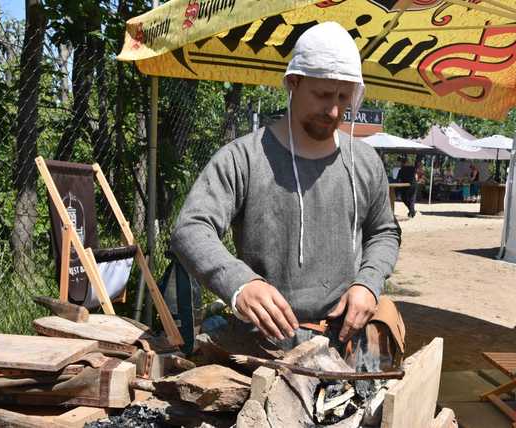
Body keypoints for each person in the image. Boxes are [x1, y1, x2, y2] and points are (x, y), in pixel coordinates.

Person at [171, 22, 402, 369]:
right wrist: (239, 284)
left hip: (348, 347)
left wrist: (368, 283)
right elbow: (191, 229)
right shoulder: (244, 158)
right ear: (293, 83)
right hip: (265, 350)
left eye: (344, 97)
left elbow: (384, 231)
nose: (335, 111)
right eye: (324, 95)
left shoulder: (365, 161)